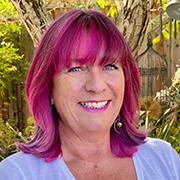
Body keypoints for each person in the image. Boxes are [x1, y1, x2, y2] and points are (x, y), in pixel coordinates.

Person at [0, 9, 179, 180]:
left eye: (109, 66)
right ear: (48, 87)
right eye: (76, 68)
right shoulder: (17, 174)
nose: (97, 85)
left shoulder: (164, 160)